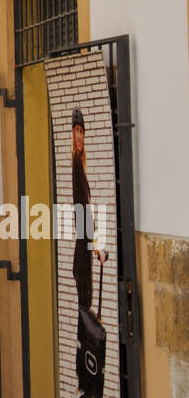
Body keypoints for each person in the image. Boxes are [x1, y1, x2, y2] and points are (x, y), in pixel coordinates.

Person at [71, 106, 107, 309]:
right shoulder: (76, 165)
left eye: (81, 131)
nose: (79, 136)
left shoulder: (79, 165)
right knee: (86, 306)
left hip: (83, 247)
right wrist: (96, 247)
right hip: (83, 249)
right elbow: (83, 208)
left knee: (85, 308)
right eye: (76, 131)